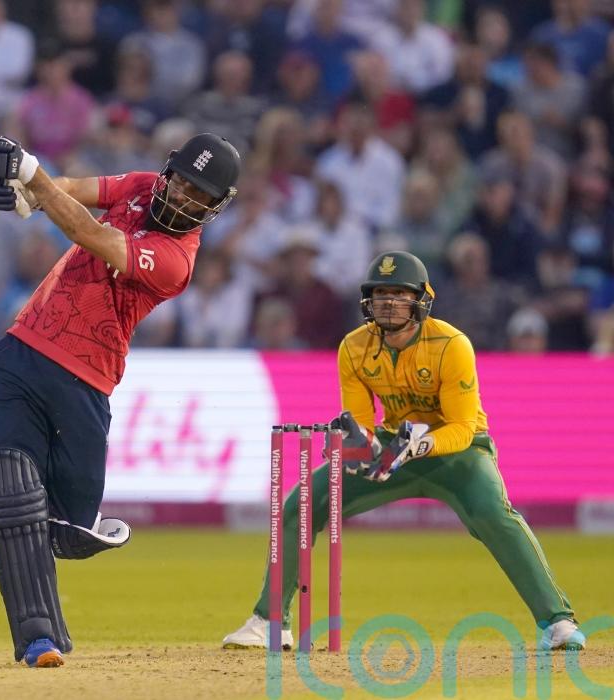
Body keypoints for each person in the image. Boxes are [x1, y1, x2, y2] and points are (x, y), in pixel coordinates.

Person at [0, 131, 241, 666]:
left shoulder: (176, 260)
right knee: (18, 498)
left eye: (199, 194)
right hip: (22, 353)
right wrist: (28, 195)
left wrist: (32, 177)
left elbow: (90, 234)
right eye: (182, 182)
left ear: (214, 207)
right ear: (168, 172)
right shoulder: (140, 186)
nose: (184, 196)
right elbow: (71, 189)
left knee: (68, 529)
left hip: (87, 381)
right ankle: (38, 640)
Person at [220, 250, 586, 652]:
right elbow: (362, 421)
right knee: (302, 503)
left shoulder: (451, 344)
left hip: (457, 453)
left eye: (399, 294)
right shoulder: (354, 347)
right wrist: (356, 443)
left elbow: (463, 427)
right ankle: (271, 622)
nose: (389, 303)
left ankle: (558, 622)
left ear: (421, 299)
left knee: (495, 515)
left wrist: (422, 444)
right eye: (380, 295)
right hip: (393, 449)